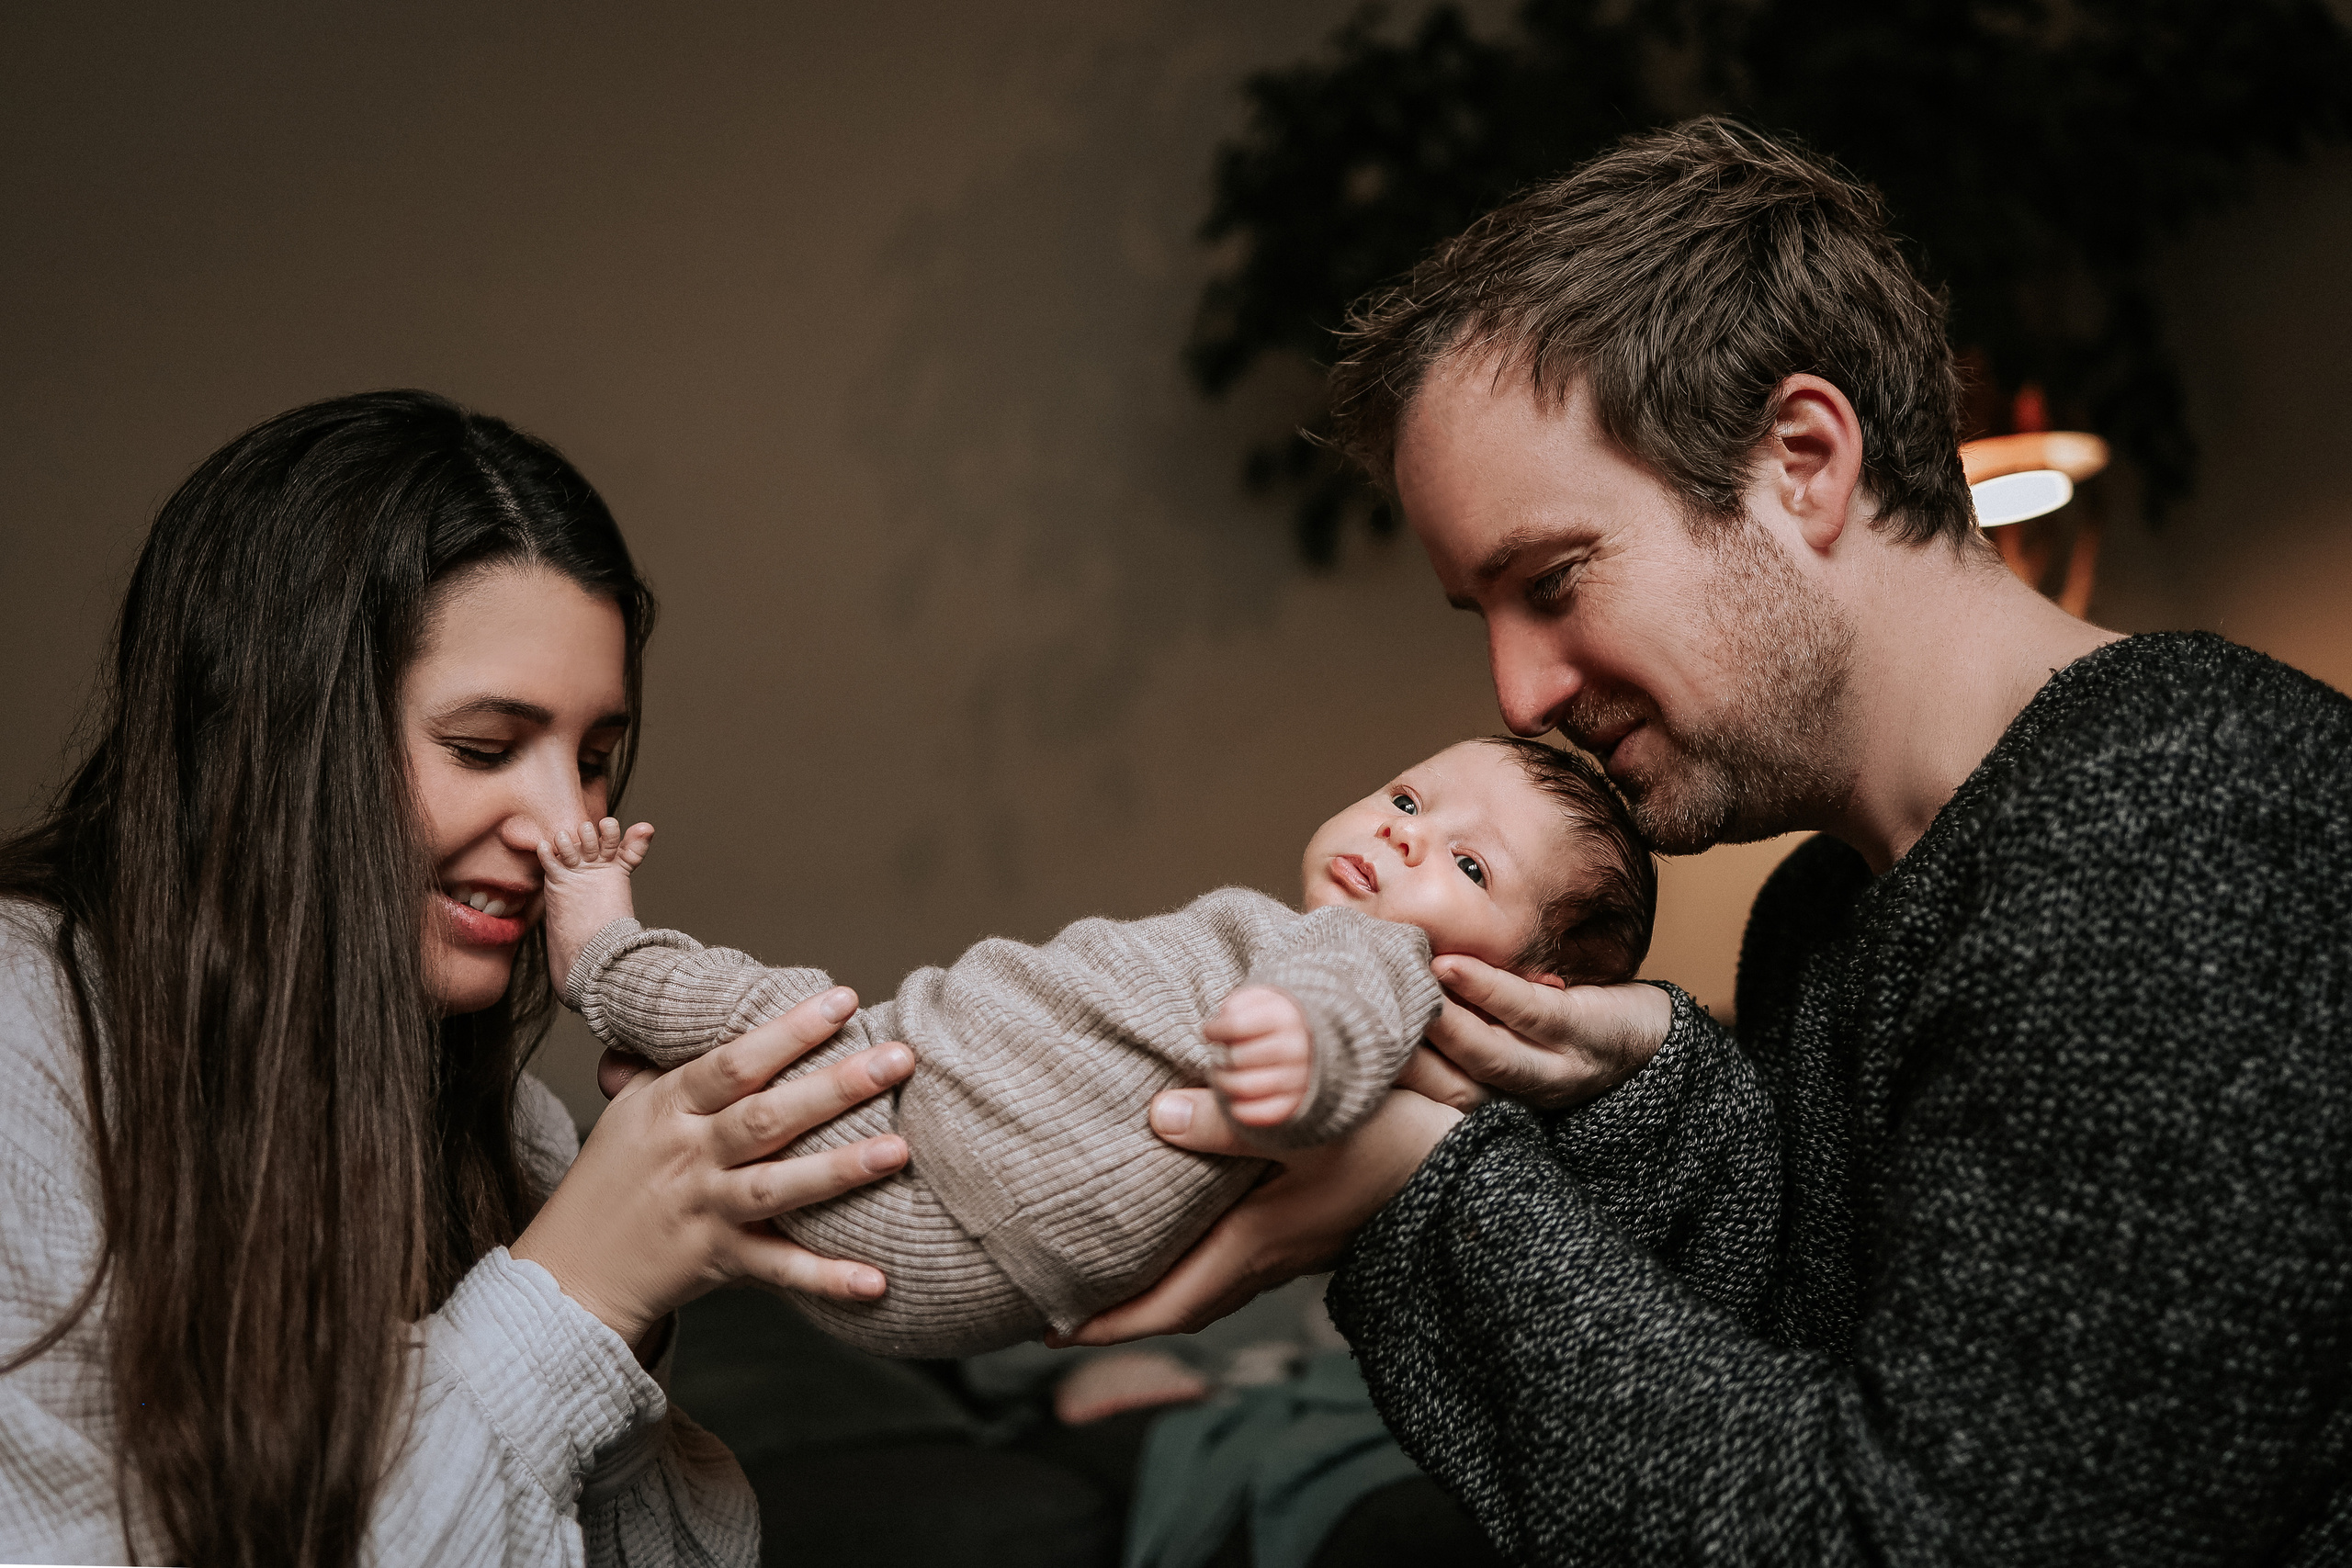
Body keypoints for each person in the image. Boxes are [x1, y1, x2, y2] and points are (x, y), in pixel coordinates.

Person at [1065, 119, 2352, 1563]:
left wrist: (1426, 1181)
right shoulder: (1827, 901)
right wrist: (1651, 1090)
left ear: (1802, 460)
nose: (1519, 694)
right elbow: (1764, 1372)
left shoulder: (2181, 835)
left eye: (1553, 579)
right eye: (1484, 617)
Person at [0, 390, 919, 1567]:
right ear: (274, 738)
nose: (567, 828)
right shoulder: (34, 1040)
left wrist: (623, 1324)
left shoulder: (520, 1136)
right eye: (484, 748)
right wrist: (569, 1297)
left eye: (594, 761)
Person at [532, 737, 1655, 1357]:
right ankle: (664, 1076)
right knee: (762, 1069)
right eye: (1408, 795)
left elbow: (1348, 1011)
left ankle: (604, 955)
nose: (1406, 835)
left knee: (779, 1014)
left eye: (1469, 867)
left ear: (1529, 988)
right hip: (951, 1231)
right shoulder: (1312, 955)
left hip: (934, 1160)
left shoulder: (1372, 963)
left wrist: (1300, 1053)